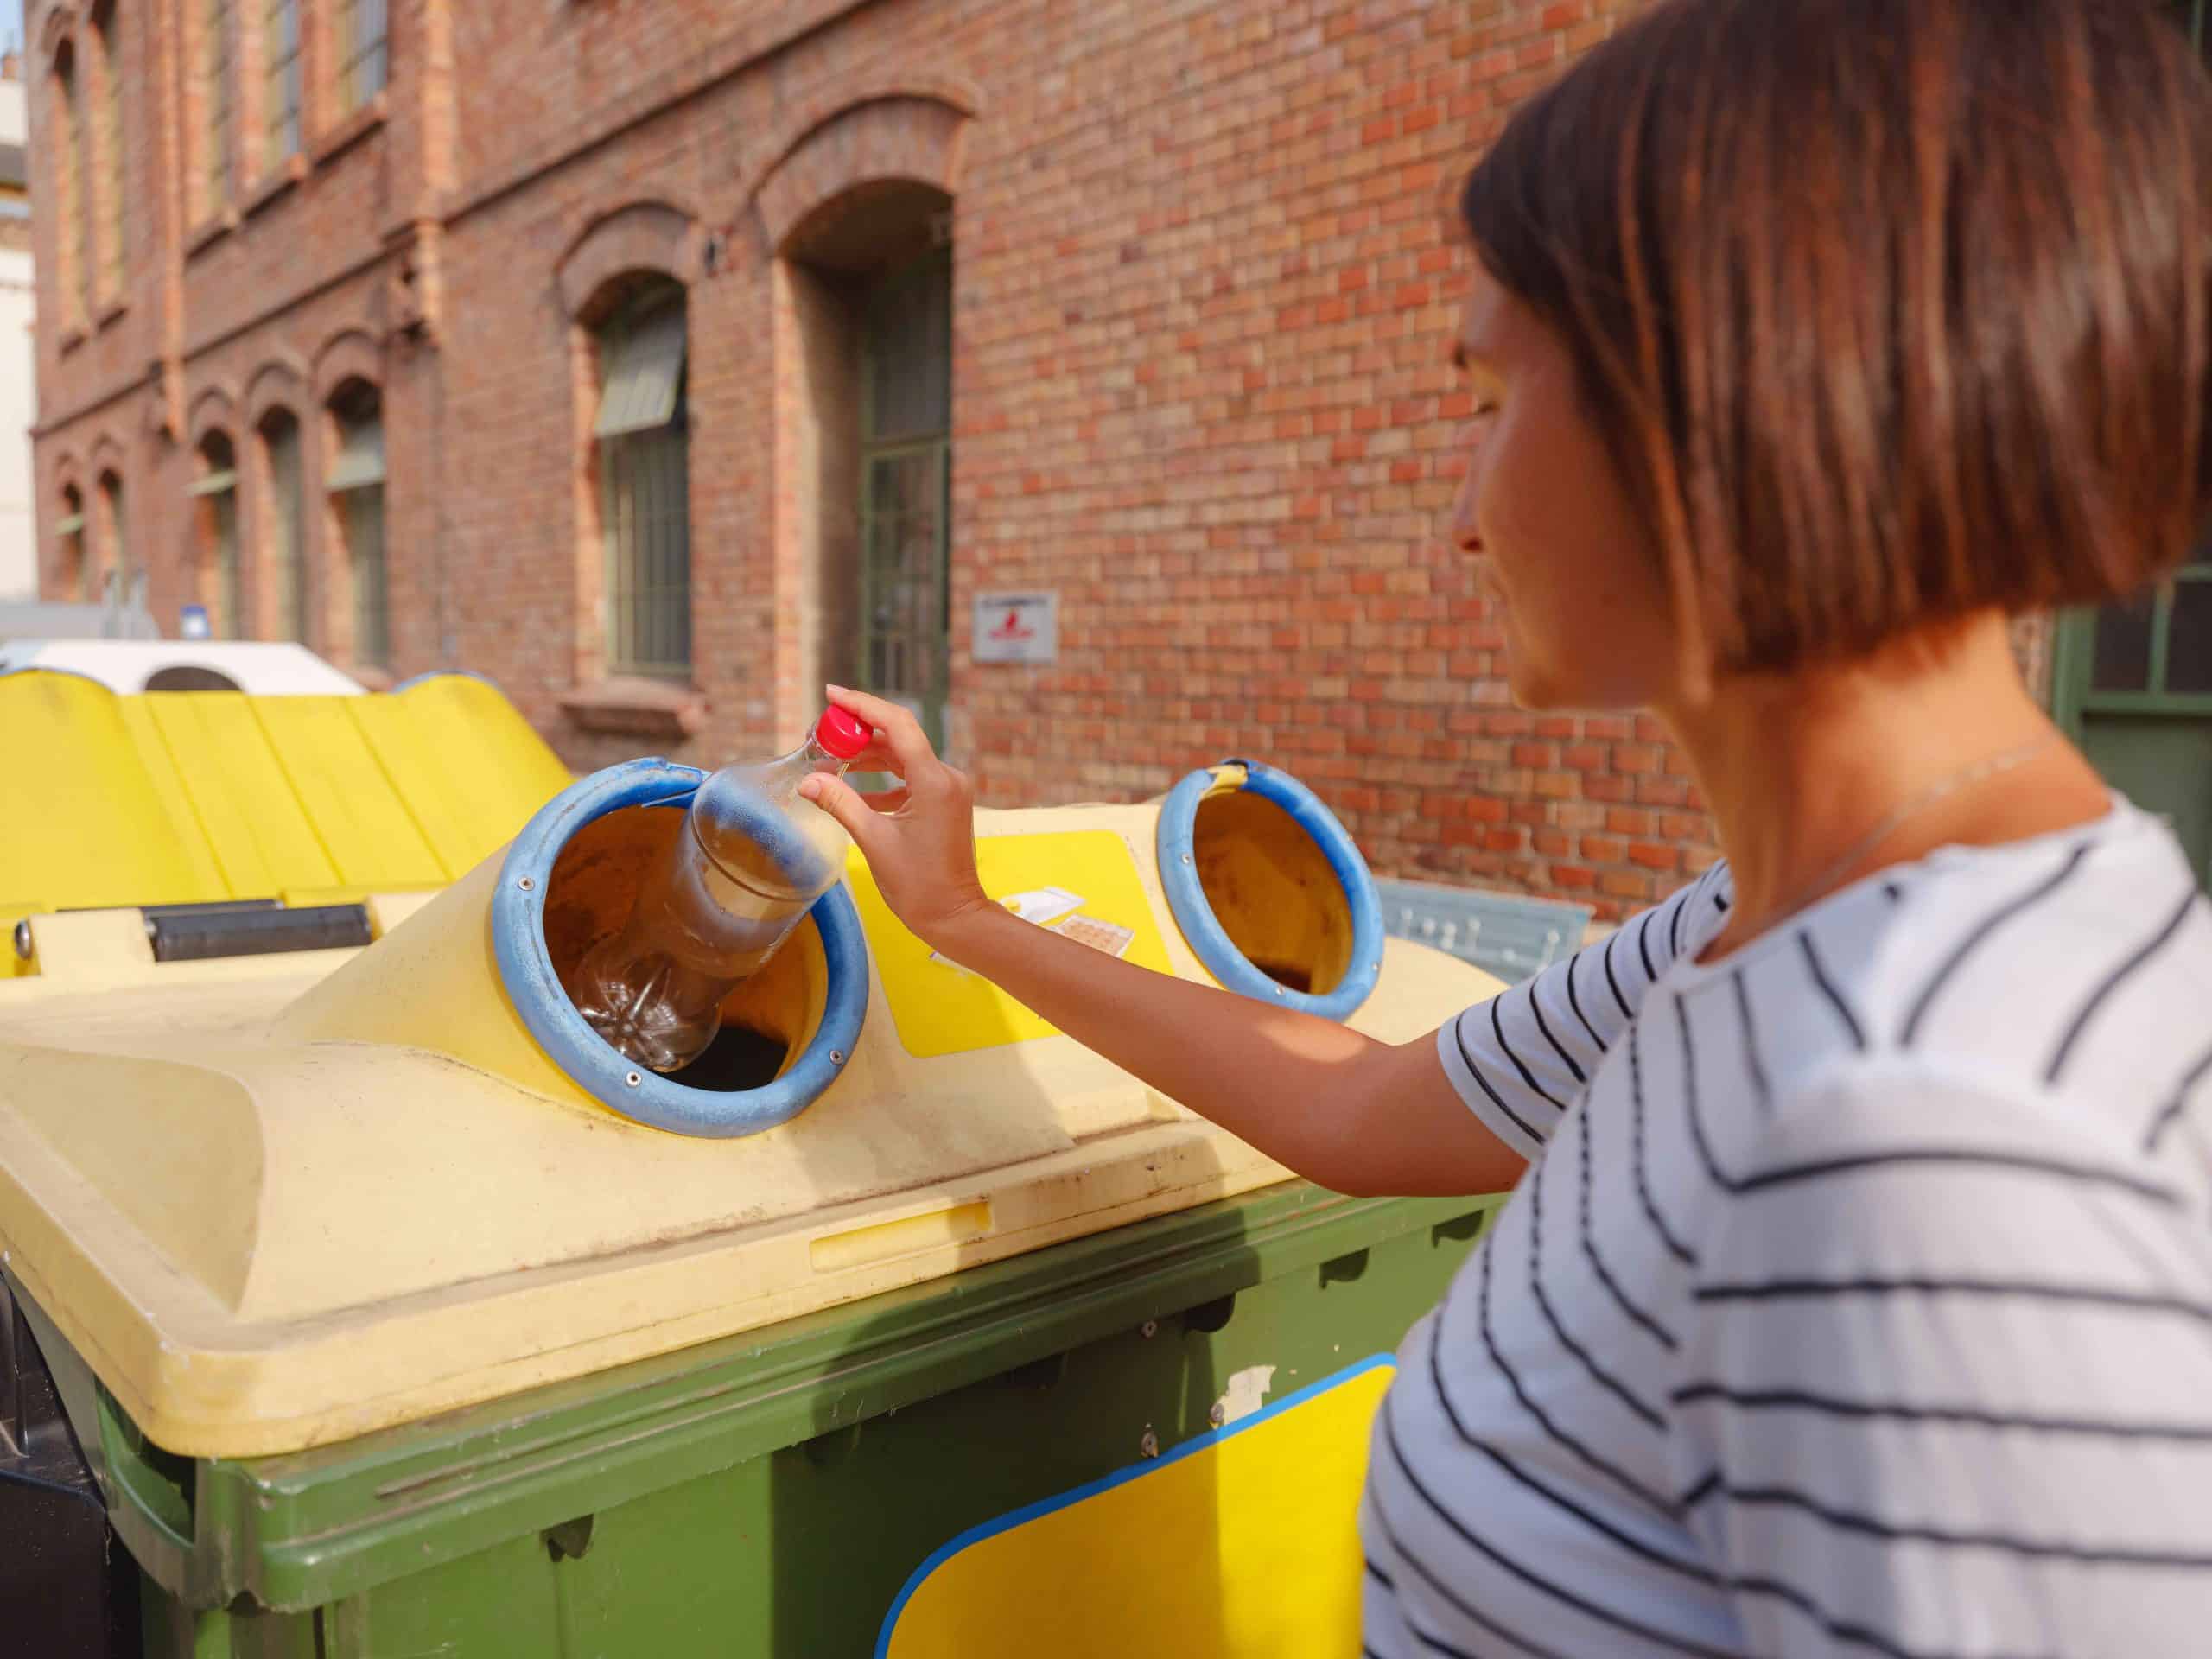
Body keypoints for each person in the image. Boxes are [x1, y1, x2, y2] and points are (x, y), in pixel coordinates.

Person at [800, 0, 2212, 1649]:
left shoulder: (1940, 1127)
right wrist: (968, 919)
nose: (1464, 516)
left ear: (1720, 394)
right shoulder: (1752, 932)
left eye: (1484, 400)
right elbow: (1373, 1104)